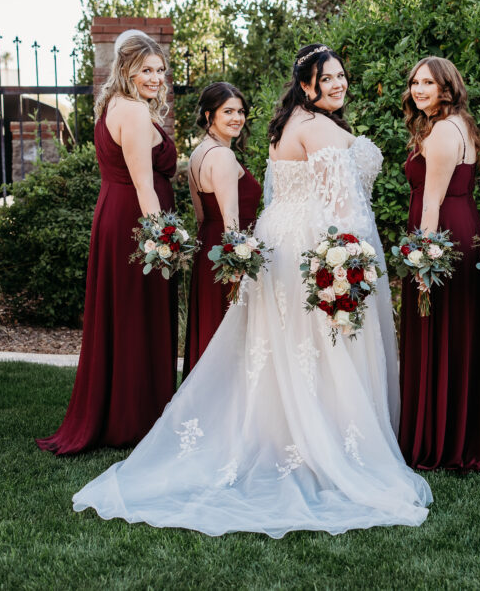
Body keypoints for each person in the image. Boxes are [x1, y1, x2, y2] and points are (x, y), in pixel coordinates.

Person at [71, 44, 432, 536]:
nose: (338, 84)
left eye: (342, 76)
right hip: (314, 246)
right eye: (327, 78)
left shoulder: (287, 126)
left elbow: (279, 193)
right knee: (316, 349)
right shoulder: (316, 127)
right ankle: (323, 442)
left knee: (284, 351)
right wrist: (348, 260)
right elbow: (339, 207)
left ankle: (278, 432)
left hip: (280, 242)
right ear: (307, 85)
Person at [37, 30, 179, 456]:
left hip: (115, 215)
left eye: (159, 70)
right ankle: (136, 418)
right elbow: (144, 183)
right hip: (136, 221)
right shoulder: (134, 113)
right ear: (127, 70)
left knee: (127, 314)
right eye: (146, 70)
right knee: (138, 314)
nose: (155, 78)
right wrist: (162, 237)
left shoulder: (116, 106)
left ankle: (126, 409)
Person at [398, 56, 480, 474]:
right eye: (415, 82)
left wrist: (425, 256)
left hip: (444, 233)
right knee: (455, 331)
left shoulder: (444, 131)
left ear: (447, 87)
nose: (419, 89)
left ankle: (444, 439)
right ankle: (452, 429)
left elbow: (432, 200)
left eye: (428, 83)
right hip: (458, 226)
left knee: (442, 328)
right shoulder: (450, 123)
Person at [182, 82, 261, 376]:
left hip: (208, 249)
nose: (237, 118)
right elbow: (231, 221)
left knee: (212, 329)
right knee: (227, 330)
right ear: (208, 114)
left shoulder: (199, 154)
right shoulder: (223, 156)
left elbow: (201, 216)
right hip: (228, 253)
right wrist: (238, 265)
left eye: (240, 111)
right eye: (227, 111)